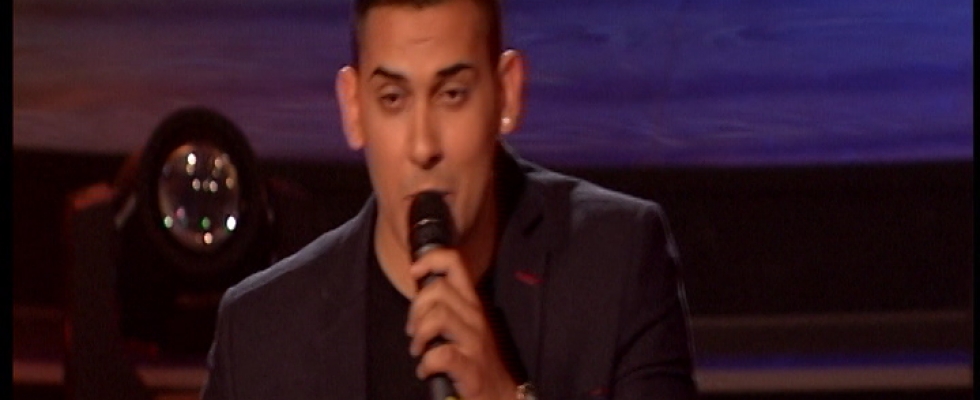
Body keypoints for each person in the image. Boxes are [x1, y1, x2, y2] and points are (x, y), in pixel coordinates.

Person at [200, 0, 697, 398]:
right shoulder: (261, 332)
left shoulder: (617, 264)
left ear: (506, 93)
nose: (423, 147)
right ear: (353, 108)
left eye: (452, 94)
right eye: (393, 99)